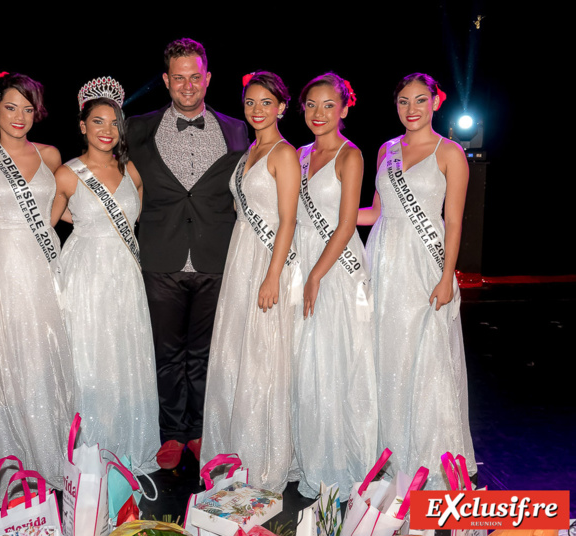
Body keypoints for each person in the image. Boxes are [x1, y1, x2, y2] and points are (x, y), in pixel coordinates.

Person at [126, 38, 248, 469]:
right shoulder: (136, 127)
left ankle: (200, 431)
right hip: (161, 256)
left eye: (195, 76)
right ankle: (171, 432)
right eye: (179, 78)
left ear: (208, 78)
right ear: (165, 80)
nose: (188, 85)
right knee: (165, 354)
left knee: (206, 354)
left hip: (217, 255)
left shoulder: (238, 128)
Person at [358, 73, 475, 489]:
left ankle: (428, 458)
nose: (412, 109)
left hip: (426, 264)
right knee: (384, 356)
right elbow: (375, 212)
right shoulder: (386, 150)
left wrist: (448, 277)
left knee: (426, 361)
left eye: (420, 100)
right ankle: (388, 453)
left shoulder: (451, 153)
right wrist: (331, 214)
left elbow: (455, 220)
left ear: (436, 102)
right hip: (384, 260)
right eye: (404, 101)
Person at [0, 72, 74, 493]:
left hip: (44, 266)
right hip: (3, 268)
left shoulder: (50, 155)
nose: (19, 116)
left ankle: (50, 450)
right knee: (9, 356)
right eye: (11, 107)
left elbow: (61, 212)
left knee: (45, 353)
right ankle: (12, 455)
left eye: (28, 109)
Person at [52, 77, 159, 472]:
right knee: (90, 359)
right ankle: (87, 451)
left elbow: (133, 221)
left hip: (124, 274)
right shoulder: (67, 173)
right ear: (83, 126)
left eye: (114, 123)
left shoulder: (131, 170)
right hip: (85, 275)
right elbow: (48, 224)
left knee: (123, 358)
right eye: (98, 122)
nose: (107, 131)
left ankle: (124, 445)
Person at [201, 71, 300, 492]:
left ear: (282, 106)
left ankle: (263, 458)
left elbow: (289, 219)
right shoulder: (247, 155)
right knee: (236, 353)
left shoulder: (284, 153)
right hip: (241, 257)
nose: (257, 110)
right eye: (250, 102)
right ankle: (232, 453)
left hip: (268, 261)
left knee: (263, 357)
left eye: (266, 102)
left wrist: (273, 275)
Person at [291, 73, 377, 499]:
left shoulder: (351, 155)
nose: (318, 113)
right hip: (304, 261)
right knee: (307, 363)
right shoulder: (301, 154)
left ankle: (342, 461)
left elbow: (345, 225)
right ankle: (310, 454)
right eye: (311, 105)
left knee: (337, 361)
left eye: (328, 105)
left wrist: (316, 274)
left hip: (336, 268)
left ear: (344, 109)